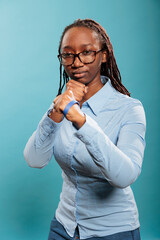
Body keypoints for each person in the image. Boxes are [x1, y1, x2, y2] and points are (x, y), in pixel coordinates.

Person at [24, 19, 146, 240]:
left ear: (104, 55)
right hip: (64, 227)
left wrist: (81, 121)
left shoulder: (130, 109)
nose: (76, 62)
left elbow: (125, 176)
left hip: (112, 231)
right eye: (68, 54)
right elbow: (35, 159)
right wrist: (55, 114)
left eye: (87, 52)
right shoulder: (60, 104)